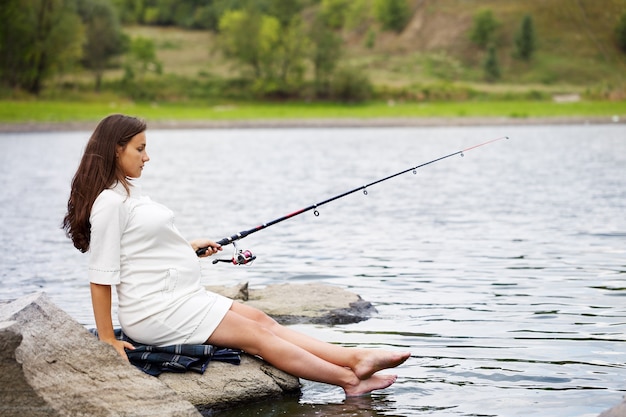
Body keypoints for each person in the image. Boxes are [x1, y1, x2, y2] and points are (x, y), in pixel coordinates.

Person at [62, 114, 410, 397]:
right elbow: (101, 275)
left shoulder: (129, 192)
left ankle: (356, 359)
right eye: (140, 149)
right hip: (156, 311)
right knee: (258, 338)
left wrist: (188, 249)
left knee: (263, 322)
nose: (147, 157)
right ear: (115, 150)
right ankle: (348, 380)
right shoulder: (109, 203)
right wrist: (108, 339)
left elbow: (141, 249)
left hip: (178, 298)